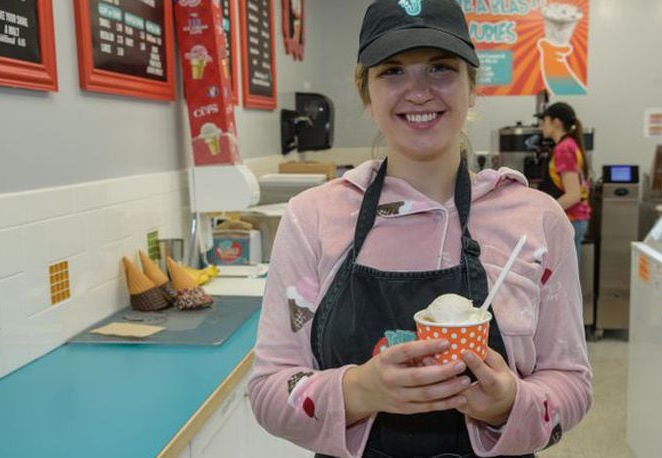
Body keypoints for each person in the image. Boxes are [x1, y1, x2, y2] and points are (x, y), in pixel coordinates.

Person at [247, 1, 592, 457]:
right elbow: (270, 388)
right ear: (366, 94)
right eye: (392, 71)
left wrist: (509, 405)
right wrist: (359, 391)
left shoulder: (538, 220)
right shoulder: (312, 218)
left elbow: (571, 383)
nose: (419, 92)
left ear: (473, 89)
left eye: (441, 69)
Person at [537, 102, 592, 255]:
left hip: (570, 219)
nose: (541, 126)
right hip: (574, 220)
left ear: (556, 123)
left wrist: (543, 211)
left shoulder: (564, 149)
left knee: (565, 277)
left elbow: (573, 195)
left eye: (544, 121)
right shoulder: (571, 144)